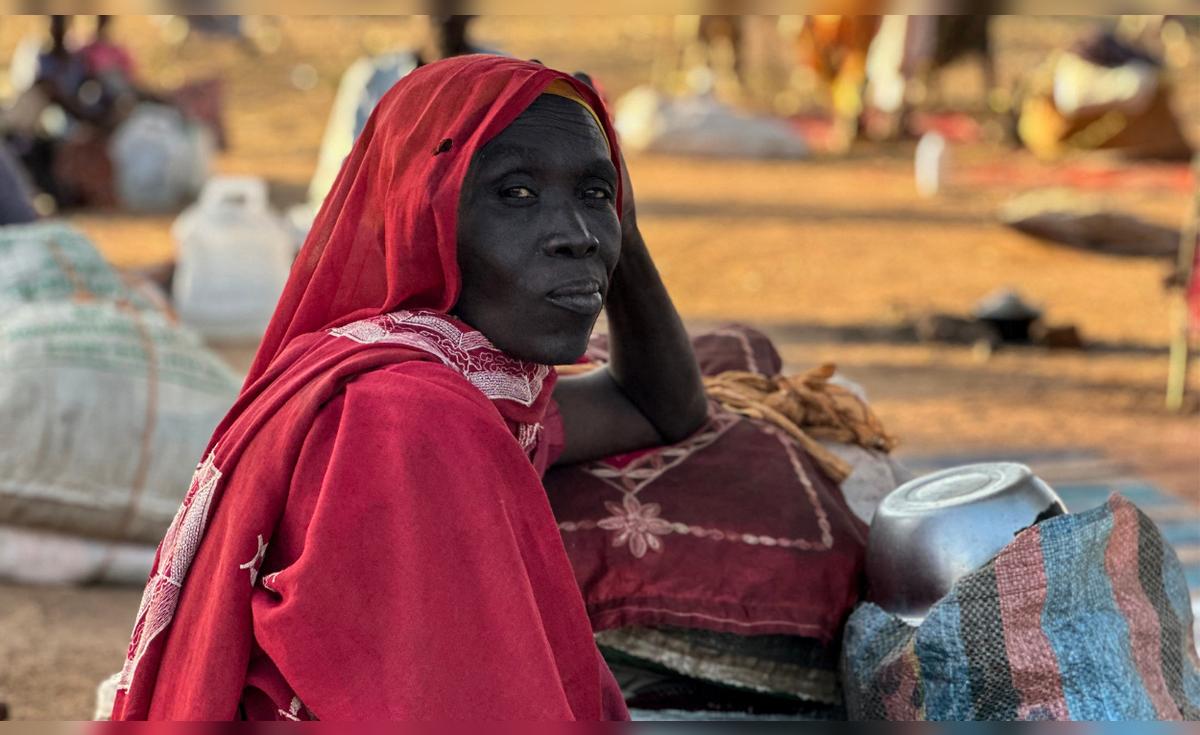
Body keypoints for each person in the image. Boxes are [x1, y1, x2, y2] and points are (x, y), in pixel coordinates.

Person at [110, 55, 708, 720]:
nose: (576, 236)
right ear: (425, 213)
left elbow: (658, 404)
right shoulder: (408, 416)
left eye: (595, 197)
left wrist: (618, 219)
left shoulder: (475, 380)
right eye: (516, 194)